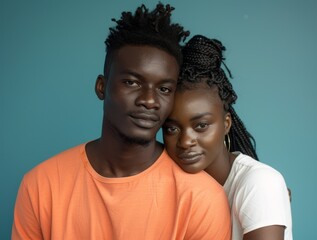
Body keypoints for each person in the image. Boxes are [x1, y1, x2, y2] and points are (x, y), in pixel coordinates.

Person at [12, 5, 232, 240]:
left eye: (164, 89)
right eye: (132, 82)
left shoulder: (201, 199)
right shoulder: (41, 186)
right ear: (101, 87)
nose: (149, 100)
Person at [163, 35, 293, 240]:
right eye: (171, 129)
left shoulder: (258, 183)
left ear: (226, 124)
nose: (186, 141)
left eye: (201, 126)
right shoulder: (175, 185)